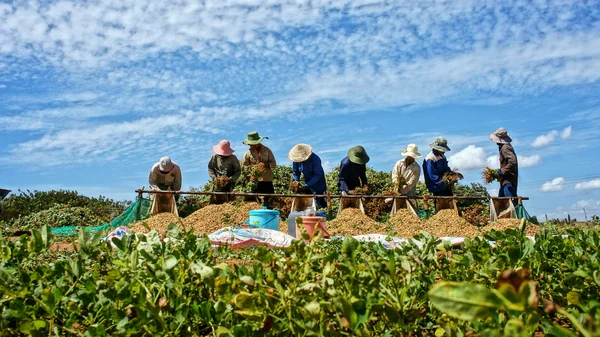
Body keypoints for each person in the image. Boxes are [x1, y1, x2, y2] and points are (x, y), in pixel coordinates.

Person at [289, 144, 327, 209]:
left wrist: (307, 185)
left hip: (318, 184)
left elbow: (317, 175)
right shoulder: (297, 160)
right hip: (306, 182)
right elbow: (295, 172)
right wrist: (296, 182)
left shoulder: (315, 159)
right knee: (307, 205)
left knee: (320, 204)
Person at [241, 131, 277, 195]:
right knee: (256, 201)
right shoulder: (248, 153)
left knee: (268, 200)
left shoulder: (267, 150)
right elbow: (244, 167)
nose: (251, 146)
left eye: (253, 144)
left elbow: (274, 164)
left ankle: (266, 205)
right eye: (250, 144)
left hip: (267, 180)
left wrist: (265, 164)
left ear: (258, 142)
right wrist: (249, 176)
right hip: (254, 181)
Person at [489, 127, 519, 203]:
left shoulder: (505, 148)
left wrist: (502, 171)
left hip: (509, 181)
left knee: (510, 203)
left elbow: (513, 162)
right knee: (502, 203)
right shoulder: (504, 147)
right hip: (505, 181)